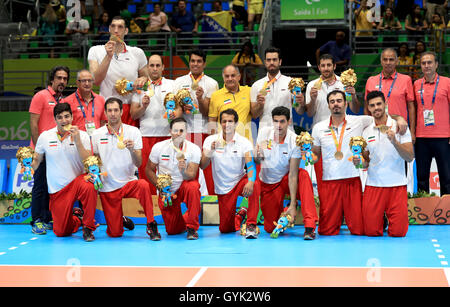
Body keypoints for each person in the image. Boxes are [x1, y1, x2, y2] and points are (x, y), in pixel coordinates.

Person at [310, 90, 407, 236]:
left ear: (345, 103)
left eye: (339, 100)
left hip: (352, 180)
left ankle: (381, 220)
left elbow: (380, 116)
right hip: (330, 182)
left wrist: (400, 119)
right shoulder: (318, 127)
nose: (336, 104)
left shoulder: (359, 121)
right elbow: (315, 155)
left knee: (360, 230)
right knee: (326, 231)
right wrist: (309, 157)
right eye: (332, 101)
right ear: (328, 105)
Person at [91, 97, 161, 240]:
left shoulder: (133, 132)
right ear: (105, 113)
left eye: (116, 110)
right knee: (115, 233)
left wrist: (132, 150)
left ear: (122, 111)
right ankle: (120, 219)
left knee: (143, 185)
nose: (113, 114)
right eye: (109, 110)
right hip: (108, 186)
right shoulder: (96, 134)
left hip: (129, 182)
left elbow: (139, 163)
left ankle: (151, 224)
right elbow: (96, 161)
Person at [31, 102, 97, 242]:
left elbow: (88, 162)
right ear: (55, 119)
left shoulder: (83, 135)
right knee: (61, 232)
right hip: (58, 190)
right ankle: (78, 219)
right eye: (60, 117)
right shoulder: (45, 137)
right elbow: (36, 162)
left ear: (72, 117)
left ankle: (88, 228)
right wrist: (27, 166)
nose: (64, 120)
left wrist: (77, 140)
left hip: (78, 183)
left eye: (67, 116)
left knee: (89, 185)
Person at [297, 54, 360, 198]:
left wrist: (354, 95)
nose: (326, 69)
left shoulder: (344, 83)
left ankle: (345, 201)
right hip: (321, 135)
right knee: (320, 172)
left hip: (342, 135)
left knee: (343, 171)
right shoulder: (312, 85)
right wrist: (312, 99)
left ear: (334, 66)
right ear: (319, 67)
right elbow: (309, 113)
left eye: (329, 65)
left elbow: (355, 109)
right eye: (323, 66)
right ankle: (322, 202)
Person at [255, 106, 318, 239]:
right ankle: (284, 214)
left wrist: (293, 204)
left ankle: (310, 226)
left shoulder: (295, 141)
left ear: (289, 122)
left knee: (303, 175)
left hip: (285, 179)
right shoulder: (263, 133)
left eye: (282, 121)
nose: (279, 125)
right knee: (270, 228)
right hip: (268, 184)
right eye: (275, 121)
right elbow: (257, 161)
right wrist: (258, 156)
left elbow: (293, 175)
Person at [360, 90, 414, 237]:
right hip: (373, 185)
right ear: (368, 108)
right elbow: (366, 162)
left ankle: (384, 217)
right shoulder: (366, 132)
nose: (376, 108)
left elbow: (409, 157)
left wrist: (394, 141)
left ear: (385, 104)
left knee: (399, 233)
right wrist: (359, 162)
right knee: (371, 232)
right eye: (372, 105)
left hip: (396, 185)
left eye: (379, 104)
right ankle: (379, 218)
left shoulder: (400, 127)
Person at [201, 109, 260, 239]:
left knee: (254, 184)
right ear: (219, 123)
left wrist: (250, 181)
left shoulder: (244, 142)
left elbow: (250, 165)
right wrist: (210, 150)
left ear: (236, 123)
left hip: (239, 182)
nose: (227, 124)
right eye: (224, 121)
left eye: (230, 121)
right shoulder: (210, 140)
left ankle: (251, 225)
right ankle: (240, 215)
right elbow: (203, 165)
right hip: (223, 189)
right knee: (225, 229)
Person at [130, 54, 181, 195]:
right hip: (146, 137)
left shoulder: (172, 84)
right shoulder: (140, 87)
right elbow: (134, 114)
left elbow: (179, 110)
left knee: (169, 174)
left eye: (158, 65)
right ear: (147, 67)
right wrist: (144, 107)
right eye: (151, 65)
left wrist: (174, 115)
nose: (154, 68)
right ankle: (151, 212)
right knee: (147, 177)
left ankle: (168, 207)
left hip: (167, 137)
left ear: (163, 67)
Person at [28, 66, 70, 235]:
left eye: (65, 79)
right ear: (52, 79)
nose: (62, 81)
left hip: (56, 152)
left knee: (51, 186)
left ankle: (46, 219)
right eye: (59, 78)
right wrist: (40, 150)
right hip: (41, 151)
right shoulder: (40, 96)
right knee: (39, 186)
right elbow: (33, 124)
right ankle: (36, 220)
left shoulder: (62, 100)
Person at [146, 118, 202, 240]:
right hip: (167, 192)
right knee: (172, 231)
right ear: (170, 131)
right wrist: (160, 186)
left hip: (183, 187)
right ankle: (186, 219)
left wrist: (183, 171)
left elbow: (192, 174)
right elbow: (148, 170)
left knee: (193, 186)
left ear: (186, 132)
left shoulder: (194, 149)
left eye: (182, 130)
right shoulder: (159, 147)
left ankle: (192, 227)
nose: (178, 133)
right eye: (175, 130)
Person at [88, 16, 149, 127]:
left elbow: (147, 79)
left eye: (120, 27)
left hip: (131, 108)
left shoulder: (137, 52)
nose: (116, 30)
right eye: (113, 26)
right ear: (109, 29)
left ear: (126, 31)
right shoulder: (95, 50)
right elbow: (96, 81)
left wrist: (142, 80)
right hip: (107, 108)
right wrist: (108, 56)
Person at [174, 49, 218, 195]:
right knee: (185, 167)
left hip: (204, 131)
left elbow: (209, 113)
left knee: (205, 169)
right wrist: (182, 107)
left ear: (204, 63)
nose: (195, 64)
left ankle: (208, 201)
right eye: (193, 61)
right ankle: (186, 199)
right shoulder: (179, 82)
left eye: (199, 61)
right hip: (185, 132)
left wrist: (200, 99)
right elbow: (175, 112)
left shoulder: (212, 83)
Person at [413, 51, 450, 196]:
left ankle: (447, 212)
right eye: (423, 63)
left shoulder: (447, 82)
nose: (426, 66)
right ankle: (424, 212)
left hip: (443, 136)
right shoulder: (416, 84)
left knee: (446, 177)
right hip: (422, 137)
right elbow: (413, 109)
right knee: (422, 177)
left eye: (429, 62)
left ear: (436, 65)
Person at [364, 48, 416, 143]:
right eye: (385, 59)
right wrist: (366, 131)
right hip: (376, 130)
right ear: (381, 61)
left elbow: (411, 108)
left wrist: (412, 132)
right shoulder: (371, 80)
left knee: (401, 157)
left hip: (399, 130)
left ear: (396, 61)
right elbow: (366, 109)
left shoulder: (406, 80)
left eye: (391, 59)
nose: (388, 62)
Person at [250, 47, 304, 132]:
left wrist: (300, 102)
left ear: (280, 62)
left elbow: (299, 110)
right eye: (269, 60)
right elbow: (254, 115)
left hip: (286, 133)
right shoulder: (256, 85)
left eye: (274, 60)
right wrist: (259, 105)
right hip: (265, 133)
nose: (271, 62)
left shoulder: (291, 82)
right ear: (265, 62)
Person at [209, 64, 253, 141]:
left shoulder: (249, 91)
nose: (230, 79)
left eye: (233, 75)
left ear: (239, 77)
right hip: (224, 142)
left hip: (245, 141)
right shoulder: (215, 95)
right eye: (227, 76)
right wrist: (214, 140)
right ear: (223, 78)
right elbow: (212, 121)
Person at [65, 69, 107, 135]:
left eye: (89, 80)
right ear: (77, 82)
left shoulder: (100, 100)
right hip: (77, 141)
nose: (87, 83)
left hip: (95, 141)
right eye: (84, 81)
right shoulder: (67, 101)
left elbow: (103, 122)